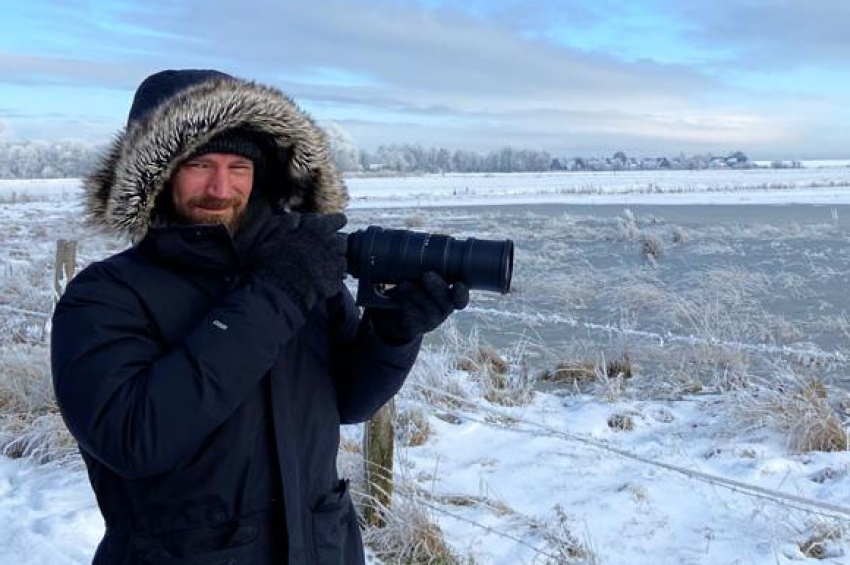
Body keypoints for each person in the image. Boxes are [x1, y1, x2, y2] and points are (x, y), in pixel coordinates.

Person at [50, 69, 469, 565]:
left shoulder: (295, 270)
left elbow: (350, 400)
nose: (221, 187)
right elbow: (132, 439)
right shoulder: (104, 296)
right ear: (156, 174)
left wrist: (393, 334)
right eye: (199, 164)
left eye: (239, 167)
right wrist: (276, 295)